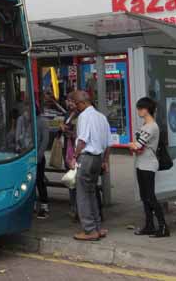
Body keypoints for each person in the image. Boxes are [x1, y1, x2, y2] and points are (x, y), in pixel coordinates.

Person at [71, 90, 113, 241]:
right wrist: (105, 161)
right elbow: (108, 144)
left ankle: (89, 230)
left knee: (82, 194)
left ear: (82, 103)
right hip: (98, 158)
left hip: (87, 158)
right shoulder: (101, 117)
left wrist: (74, 157)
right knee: (92, 193)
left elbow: (82, 140)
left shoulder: (84, 116)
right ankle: (98, 227)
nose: (76, 107)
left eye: (76, 104)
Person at [129, 97, 170, 238]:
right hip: (141, 164)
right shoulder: (145, 126)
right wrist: (134, 146)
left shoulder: (152, 126)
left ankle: (163, 227)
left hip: (148, 165)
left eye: (140, 108)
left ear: (146, 109)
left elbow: (137, 145)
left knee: (151, 197)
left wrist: (131, 145)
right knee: (144, 197)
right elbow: (138, 147)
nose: (138, 111)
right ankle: (149, 226)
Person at [60, 92, 80, 220]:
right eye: (68, 101)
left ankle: (78, 209)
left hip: (76, 150)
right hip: (68, 150)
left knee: (77, 180)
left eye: (71, 101)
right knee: (70, 179)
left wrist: (69, 131)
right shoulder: (68, 114)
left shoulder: (81, 115)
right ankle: (73, 207)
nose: (69, 103)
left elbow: (79, 134)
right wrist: (62, 128)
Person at [35, 104, 51, 219]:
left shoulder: (42, 121)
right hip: (28, 156)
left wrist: (39, 156)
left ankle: (44, 207)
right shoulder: (28, 120)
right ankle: (35, 205)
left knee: (40, 181)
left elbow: (45, 141)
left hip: (38, 157)